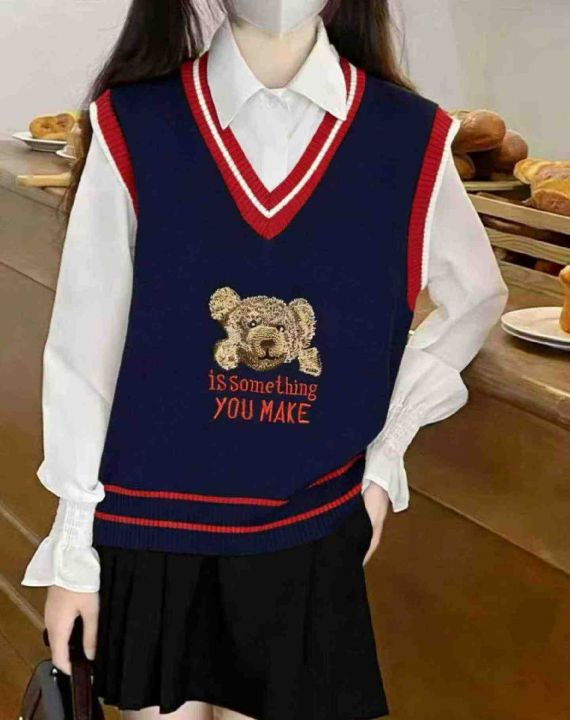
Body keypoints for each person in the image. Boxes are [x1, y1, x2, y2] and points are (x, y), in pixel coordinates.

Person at [22, 0, 509, 718]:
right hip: (151, 521)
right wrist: (73, 549)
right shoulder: (135, 125)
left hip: (308, 521)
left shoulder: (409, 137)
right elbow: (84, 347)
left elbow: (476, 298)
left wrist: (384, 459)